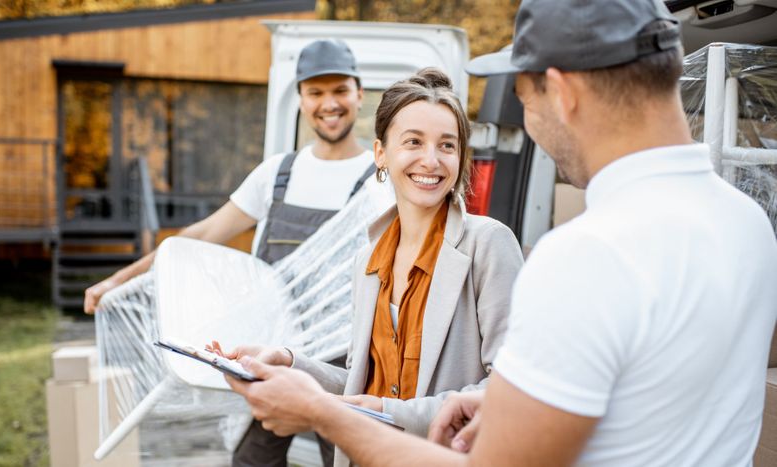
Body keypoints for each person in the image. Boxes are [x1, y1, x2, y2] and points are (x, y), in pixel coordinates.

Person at [224, 0, 777, 465]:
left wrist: (322, 412)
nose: (528, 120)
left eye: (525, 97)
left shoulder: (586, 256)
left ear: (562, 92)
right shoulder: (748, 223)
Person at [83, 39, 376, 467]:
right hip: (270, 354)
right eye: (316, 92)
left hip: (342, 363)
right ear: (299, 98)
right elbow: (199, 235)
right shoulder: (278, 173)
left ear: (359, 93)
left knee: (348, 461)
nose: (328, 104)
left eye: (339, 90)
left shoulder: (379, 181)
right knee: (252, 462)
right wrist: (118, 280)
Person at [211, 67, 523, 465]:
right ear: (381, 153)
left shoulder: (488, 244)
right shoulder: (368, 260)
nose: (431, 160)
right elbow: (362, 386)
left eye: (447, 145)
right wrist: (290, 361)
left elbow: (509, 389)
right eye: (413, 142)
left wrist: (386, 414)